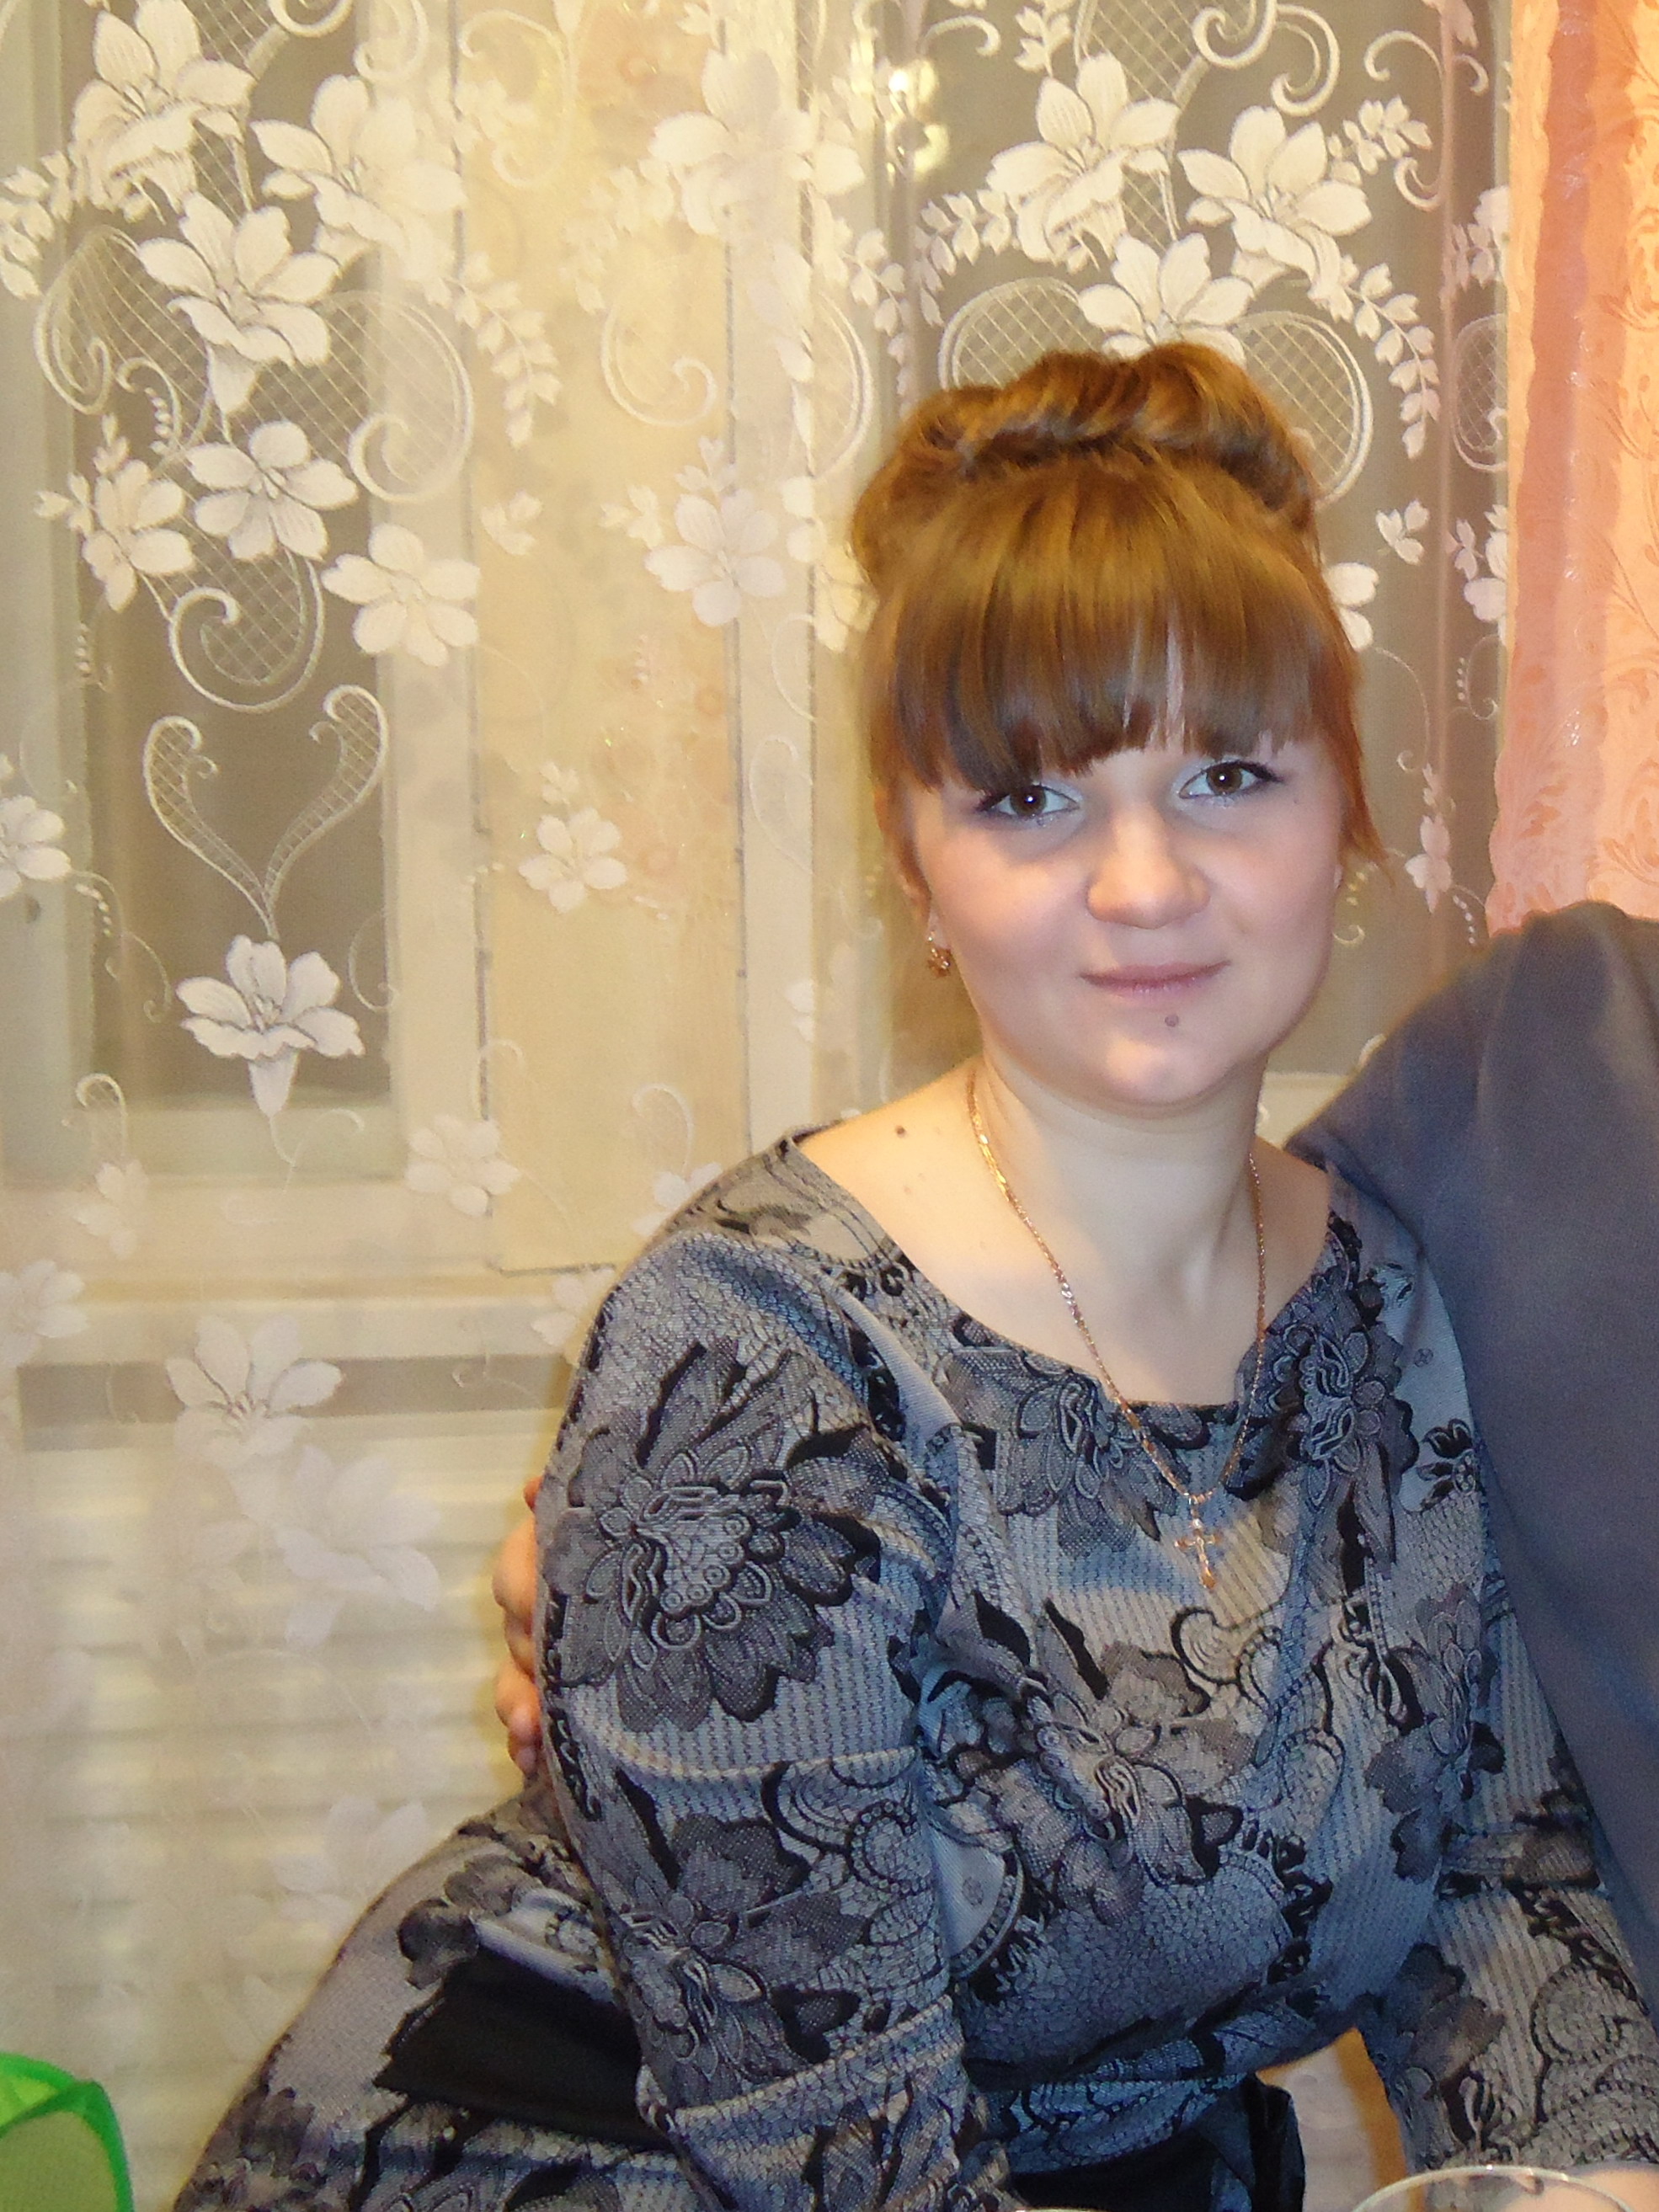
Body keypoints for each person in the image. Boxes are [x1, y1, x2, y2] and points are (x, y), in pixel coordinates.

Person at [173, 347, 1659, 2212]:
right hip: (583, 2156)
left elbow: (1497, 1886)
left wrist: (1597, 2184)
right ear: (911, 860)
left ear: (1343, 807)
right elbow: (833, 2159)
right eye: (1030, 800)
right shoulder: (757, 1347)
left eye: (1225, 776)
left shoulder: (1386, 1298)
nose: (1143, 884)